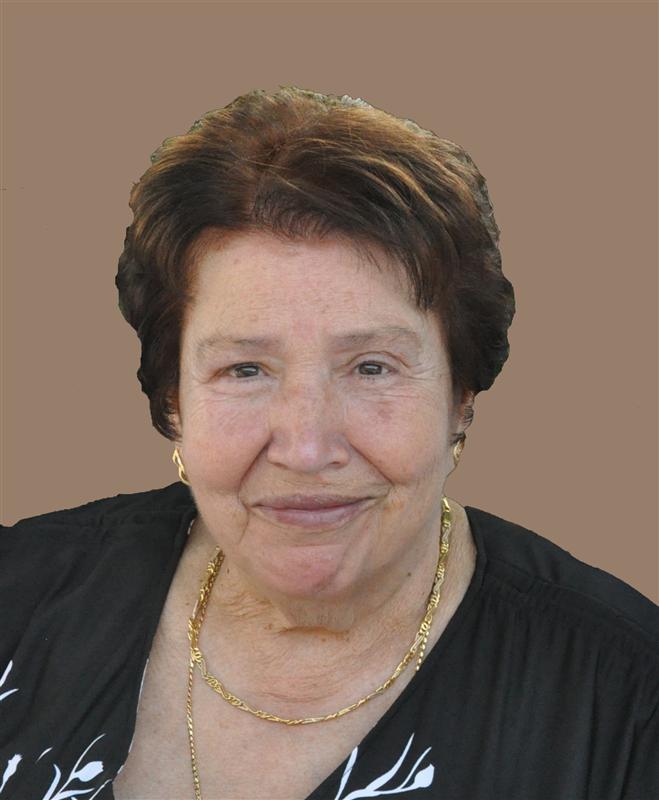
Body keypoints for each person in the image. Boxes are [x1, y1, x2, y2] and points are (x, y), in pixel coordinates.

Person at [1, 86, 656, 800]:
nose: (306, 449)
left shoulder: (627, 697)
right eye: (245, 369)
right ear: (173, 400)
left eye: (371, 367)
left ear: (461, 397)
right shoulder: (18, 595)